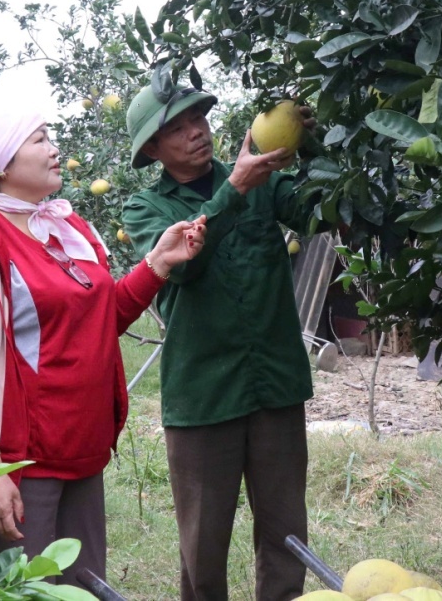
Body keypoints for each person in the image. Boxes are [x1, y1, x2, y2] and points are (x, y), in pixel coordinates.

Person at [0, 100, 206, 587]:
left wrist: (158, 263)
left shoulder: (66, 226)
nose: (56, 151)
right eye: (40, 140)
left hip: (82, 446)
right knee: (23, 591)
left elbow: (98, 323)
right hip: (23, 460)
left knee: (83, 589)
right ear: (2, 160)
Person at [122, 76, 315, 601]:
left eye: (199, 120)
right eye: (178, 129)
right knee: (203, 548)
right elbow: (182, 267)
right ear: (154, 149)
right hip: (203, 395)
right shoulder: (144, 210)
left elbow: (322, 211)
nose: (196, 133)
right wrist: (235, 193)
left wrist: (308, 143)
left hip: (274, 384)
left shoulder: (264, 182)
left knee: (286, 534)